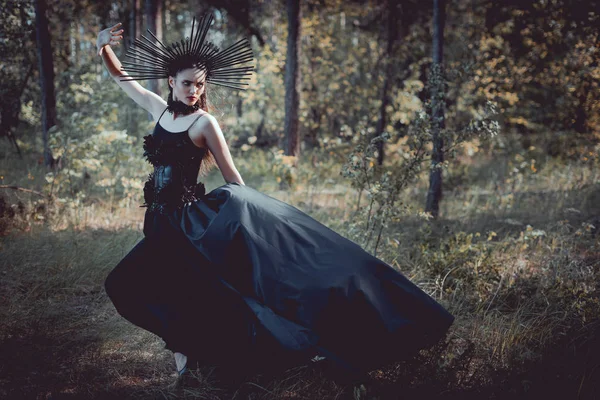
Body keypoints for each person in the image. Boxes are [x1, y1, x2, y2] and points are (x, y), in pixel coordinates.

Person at [97, 15, 455, 380]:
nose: (193, 90)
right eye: (187, 83)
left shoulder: (205, 123)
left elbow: (232, 176)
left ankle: (191, 366)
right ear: (171, 82)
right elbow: (122, 79)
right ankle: (185, 361)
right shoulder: (160, 110)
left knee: (191, 292)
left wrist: (259, 216)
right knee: (141, 285)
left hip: (191, 226)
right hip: (160, 222)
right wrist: (103, 46)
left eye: (199, 85)